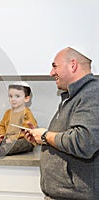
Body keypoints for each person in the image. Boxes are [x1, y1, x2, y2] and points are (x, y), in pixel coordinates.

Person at [24, 47, 99, 200]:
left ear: (73, 65)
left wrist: (45, 136)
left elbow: (84, 141)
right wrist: (39, 138)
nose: (51, 73)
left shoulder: (92, 93)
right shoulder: (73, 96)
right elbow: (66, 137)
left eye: (55, 66)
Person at [0, 81, 38, 158]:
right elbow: (2, 126)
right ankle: (0, 146)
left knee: (24, 144)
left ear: (26, 98)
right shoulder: (8, 113)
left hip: (23, 140)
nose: (13, 99)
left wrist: (12, 139)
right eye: (11, 96)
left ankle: (2, 149)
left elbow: (28, 131)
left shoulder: (26, 113)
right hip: (8, 139)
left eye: (17, 96)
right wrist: (0, 135)